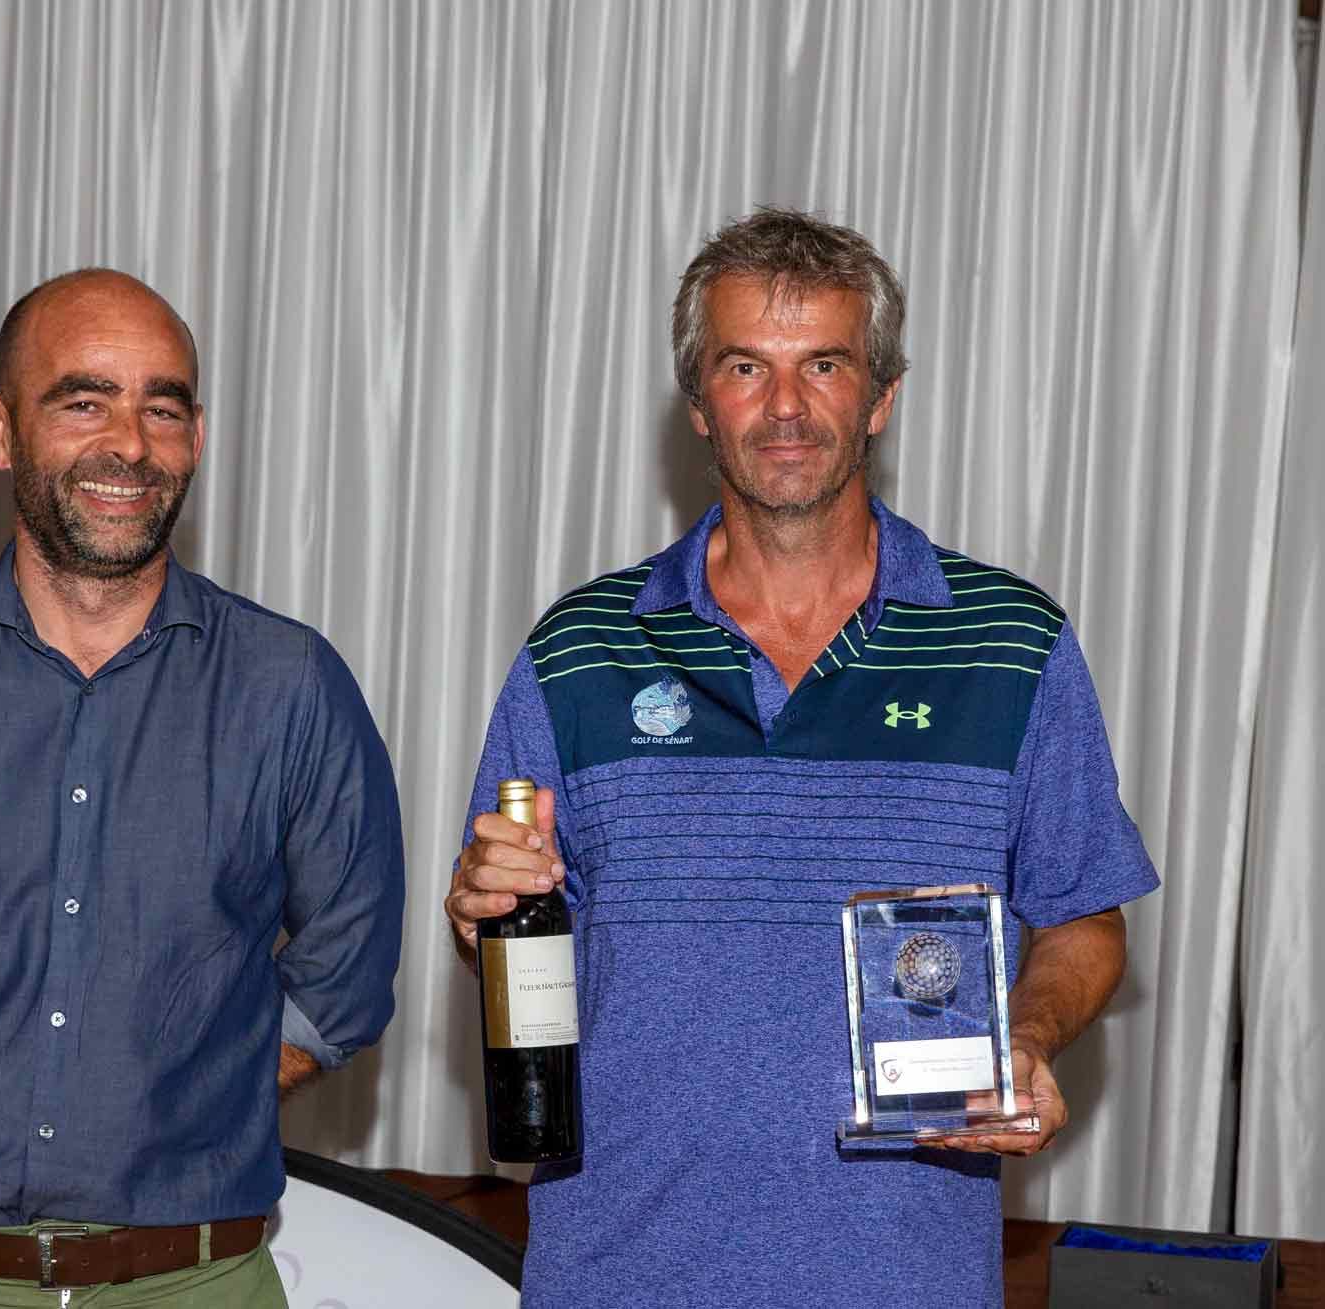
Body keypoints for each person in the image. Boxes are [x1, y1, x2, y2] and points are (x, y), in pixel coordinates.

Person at [444, 208, 1158, 1307]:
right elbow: (524, 948)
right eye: (745, 366)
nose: (785, 405)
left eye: (823, 363)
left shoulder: (1009, 643)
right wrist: (482, 914)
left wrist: (1025, 1032)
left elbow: (1084, 919)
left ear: (881, 396)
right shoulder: (579, 648)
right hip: (617, 1272)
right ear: (697, 403)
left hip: (904, 1279)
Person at [0, 268, 405, 1308]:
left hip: (197, 1286)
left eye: (164, 407)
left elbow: (346, 971)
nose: (131, 444)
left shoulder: (291, 687)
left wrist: (195, 1094)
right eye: (84, 401)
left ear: (197, 435)